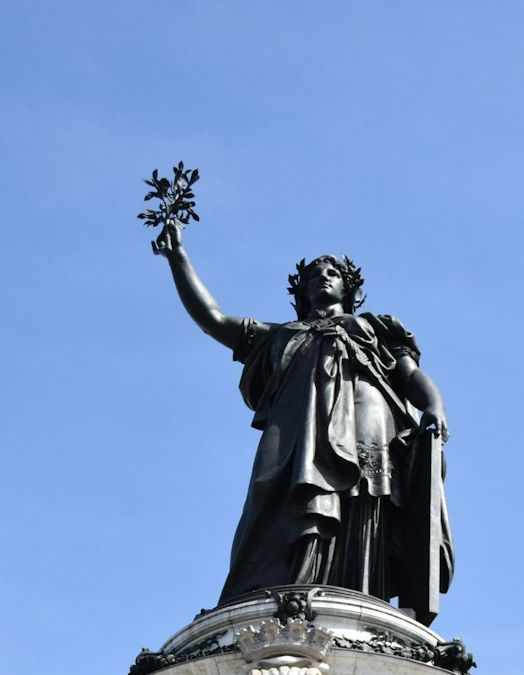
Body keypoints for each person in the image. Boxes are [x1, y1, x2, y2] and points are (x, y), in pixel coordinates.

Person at [155, 224, 454, 620]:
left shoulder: (375, 329)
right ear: (302, 291)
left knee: (361, 503)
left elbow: (409, 375)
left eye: (331, 273)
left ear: (348, 288)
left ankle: (359, 597)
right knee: (272, 496)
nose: (322, 278)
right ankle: (271, 591)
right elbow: (213, 319)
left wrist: (434, 404)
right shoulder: (278, 335)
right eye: (314, 274)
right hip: (294, 432)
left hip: (368, 422)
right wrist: (178, 258)